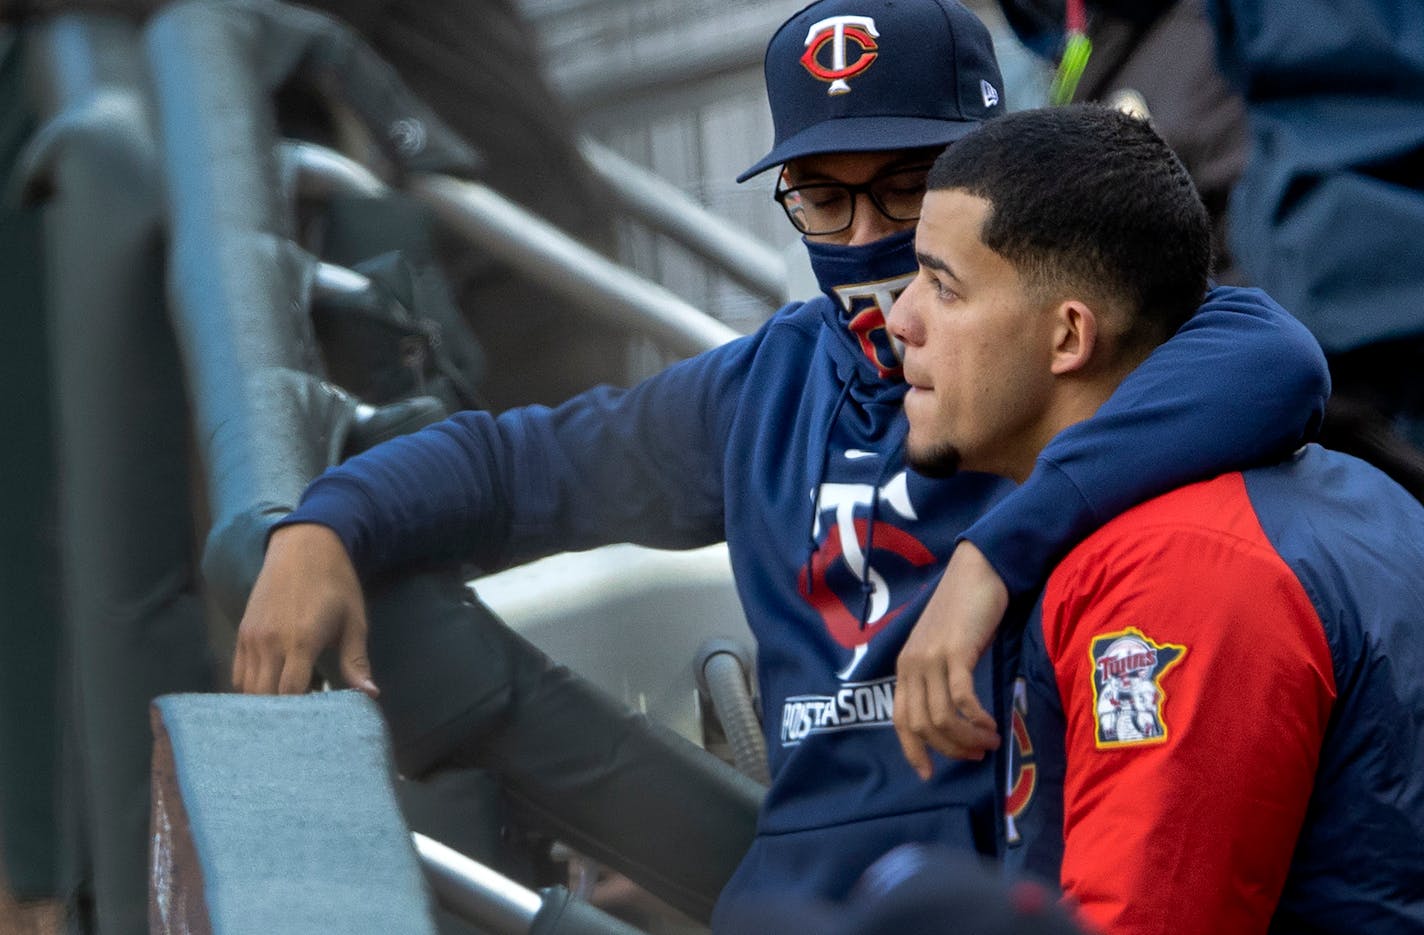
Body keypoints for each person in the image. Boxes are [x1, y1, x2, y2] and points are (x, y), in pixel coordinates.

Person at [236, 0, 1330, 922]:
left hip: (1005, 891)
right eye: (820, 196)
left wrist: (990, 557)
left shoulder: (1074, 343)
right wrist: (330, 518)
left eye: (906, 189)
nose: (863, 237)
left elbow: (1273, 353)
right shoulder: (761, 384)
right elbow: (520, 466)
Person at [889, 103, 1424, 933]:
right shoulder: (1292, 490)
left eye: (943, 286)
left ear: (1070, 334)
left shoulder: (1174, 569)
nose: (900, 319)